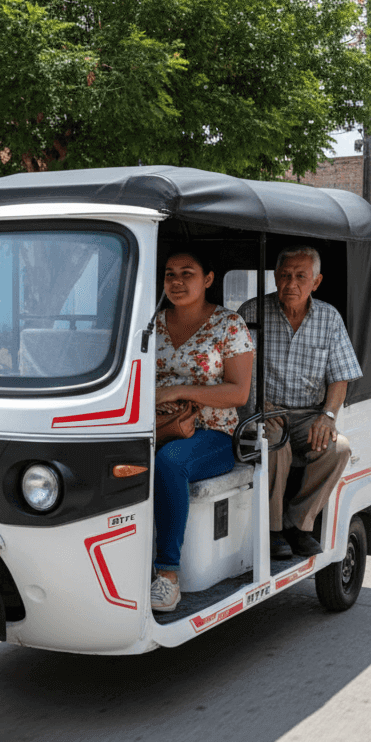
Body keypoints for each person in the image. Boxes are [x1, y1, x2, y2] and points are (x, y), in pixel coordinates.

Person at [238, 246, 362, 558]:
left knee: (339, 448)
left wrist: (328, 416)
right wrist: (258, 406)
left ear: (316, 282)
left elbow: (340, 377)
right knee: (273, 440)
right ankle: (273, 529)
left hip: (309, 413)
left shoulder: (329, 318)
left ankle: (299, 523)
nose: (291, 283)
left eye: (300, 277)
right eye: (284, 275)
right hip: (265, 408)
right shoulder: (252, 312)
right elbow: (237, 368)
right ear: (276, 278)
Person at [151, 249, 254, 612]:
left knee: (170, 463)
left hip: (213, 434)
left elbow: (238, 392)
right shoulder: (152, 323)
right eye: (169, 274)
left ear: (208, 279)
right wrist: (156, 400)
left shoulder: (229, 326)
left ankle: (167, 576)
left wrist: (178, 392)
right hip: (155, 424)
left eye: (186, 273)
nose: (176, 282)